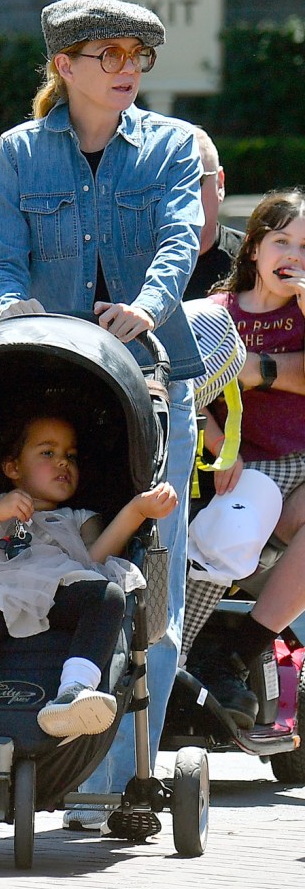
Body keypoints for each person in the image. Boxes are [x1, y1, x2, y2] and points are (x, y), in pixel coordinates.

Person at [0, 0, 204, 838]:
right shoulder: (18, 153)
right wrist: (15, 308)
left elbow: (182, 239)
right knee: (51, 559)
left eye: (137, 53)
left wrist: (146, 306)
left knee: (152, 572)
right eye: (106, 53)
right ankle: (41, 746)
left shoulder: (174, 145)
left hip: (149, 385)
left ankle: (119, 776)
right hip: (51, 392)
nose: (127, 67)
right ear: (64, 67)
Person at [0, 411, 177, 785]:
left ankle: (73, 693)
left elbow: (96, 558)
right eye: (48, 453)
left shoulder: (80, 517)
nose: (62, 463)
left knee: (108, 597)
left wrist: (137, 510)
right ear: (12, 467)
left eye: (70, 456)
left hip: (57, 588)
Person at [181, 189, 305, 728]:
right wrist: (217, 443)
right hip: (236, 475)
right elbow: (178, 388)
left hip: (295, 472)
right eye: (282, 241)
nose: (294, 256)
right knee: (244, 506)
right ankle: (186, 649)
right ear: (253, 247)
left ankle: (245, 645)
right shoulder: (213, 315)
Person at [183, 126, 243, 301]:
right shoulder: (121, 268)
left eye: (196, 181)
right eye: (164, 183)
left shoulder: (257, 264)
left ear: (220, 184)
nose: (181, 195)